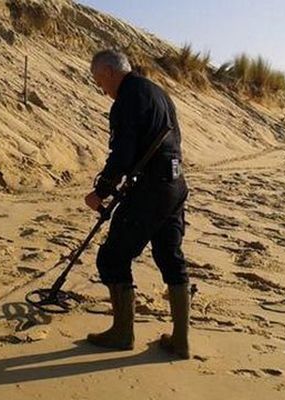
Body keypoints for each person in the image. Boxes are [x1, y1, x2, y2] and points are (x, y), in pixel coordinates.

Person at [84, 49, 191, 359]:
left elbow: (122, 154)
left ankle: (122, 333)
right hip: (175, 185)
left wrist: (101, 192)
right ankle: (181, 341)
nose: (101, 88)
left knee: (112, 258)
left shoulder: (126, 100)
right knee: (170, 256)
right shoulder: (158, 92)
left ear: (108, 72)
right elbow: (175, 142)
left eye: (99, 81)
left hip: (151, 190)